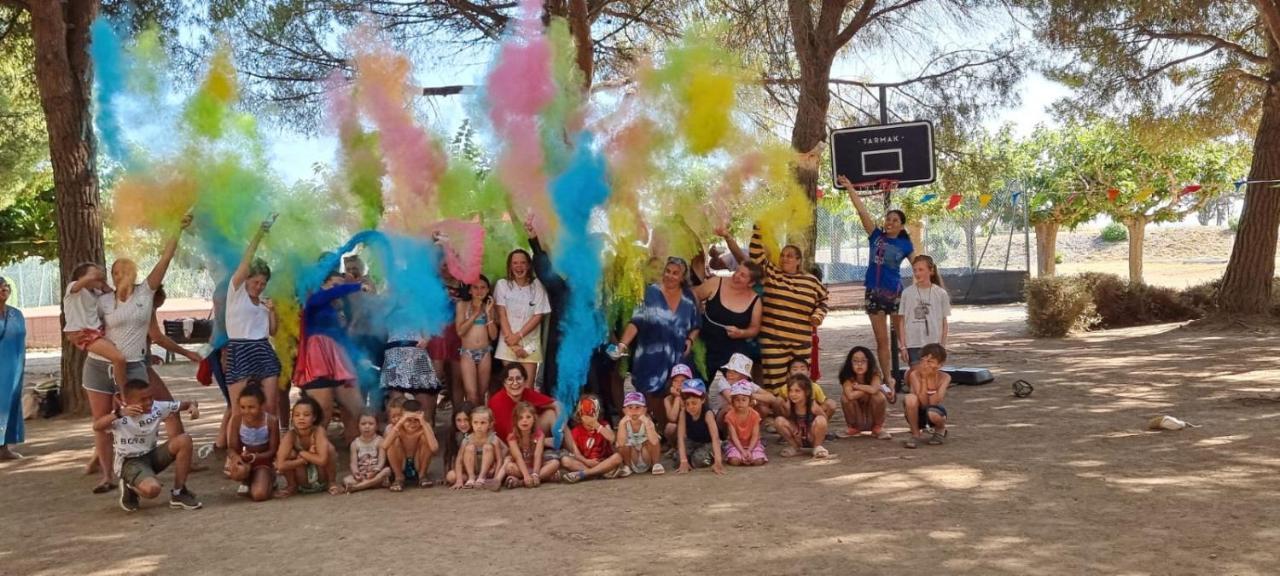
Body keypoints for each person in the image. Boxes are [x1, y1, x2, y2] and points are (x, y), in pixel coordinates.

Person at [84, 213, 190, 494]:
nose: (120, 275)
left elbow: (165, 260)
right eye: (115, 272)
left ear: (133, 273)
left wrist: (176, 230)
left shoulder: (145, 293)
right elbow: (85, 322)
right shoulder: (103, 301)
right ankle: (108, 476)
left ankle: (139, 465)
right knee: (103, 420)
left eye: (125, 270)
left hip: (133, 366)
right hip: (99, 365)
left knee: (136, 416)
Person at [719, 224, 828, 396]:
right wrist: (759, 226)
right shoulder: (771, 274)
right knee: (775, 387)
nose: (785, 258)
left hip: (801, 344)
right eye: (783, 255)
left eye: (790, 256)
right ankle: (777, 419)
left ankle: (800, 418)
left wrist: (818, 315)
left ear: (799, 260)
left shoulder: (812, 281)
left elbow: (823, 300)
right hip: (773, 344)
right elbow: (755, 255)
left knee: (800, 385)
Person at [838, 174, 915, 388]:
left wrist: (931, 284)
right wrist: (850, 186)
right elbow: (861, 210)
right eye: (888, 219)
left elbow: (920, 265)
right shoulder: (876, 236)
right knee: (881, 340)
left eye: (895, 220)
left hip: (894, 293)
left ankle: (913, 372)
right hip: (874, 292)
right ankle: (888, 378)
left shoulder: (905, 245)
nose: (890, 223)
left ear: (901, 226)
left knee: (902, 339)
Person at [612, 256, 701, 432]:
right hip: (650, 356)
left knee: (673, 395)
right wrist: (622, 344)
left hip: (677, 356)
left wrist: (690, 339)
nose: (670, 276)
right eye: (668, 271)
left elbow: (696, 324)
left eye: (676, 273)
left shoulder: (689, 297)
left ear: (683, 277)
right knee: (650, 395)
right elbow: (635, 322)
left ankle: (665, 433)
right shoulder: (650, 293)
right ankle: (647, 433)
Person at [92, 379, 202, 512]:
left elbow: (187, 404)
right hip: (130, 462)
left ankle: (179, 493)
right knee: (153, 490)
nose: (149, 402)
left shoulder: (157, 407)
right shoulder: (121, 416)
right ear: (127, 400)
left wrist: (193, 407)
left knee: (184, 440)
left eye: (150, 397)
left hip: (151, 455)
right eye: (143, 399)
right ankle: (129, 485)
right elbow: (97, 426)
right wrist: (118, 414)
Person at [293, 272, 367, 445]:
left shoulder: (334, 310)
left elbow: (342, 338)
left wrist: (358, 356)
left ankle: (363, 453)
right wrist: (355, 286)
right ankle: (311, 453)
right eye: (335, 285)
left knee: (358, 408)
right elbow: (326, 295)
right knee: (323, 412)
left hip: (338, 361)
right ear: (324, 284)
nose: (339, 291)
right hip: (317, 359)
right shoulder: (313, 300)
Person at [224, 217, 282, 426]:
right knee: (239, 410)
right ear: (247, 279)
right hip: (240, 349)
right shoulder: (236, 292)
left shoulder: (264, 303)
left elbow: (273, 332)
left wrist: (272, 312)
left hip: (263, 349)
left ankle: (272, 451)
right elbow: (246, 260)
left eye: (263, 283)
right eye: (256, 281)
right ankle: (235, 453)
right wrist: (259, 234)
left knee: (270, 407)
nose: (259, 286)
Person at [692, 258, 763, 382]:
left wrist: (741, 333)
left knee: (732, 391)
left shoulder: (755, 300)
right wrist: (697, 311)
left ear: (751, 283)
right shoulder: (715, 282)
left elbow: (755, 328)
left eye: (743, 275)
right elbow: (694, 295)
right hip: (706, 346)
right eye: (737, 271)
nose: (736, 276)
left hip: (733, 352)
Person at [63, 263, 128, 391]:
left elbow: (110, 294)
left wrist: (103, 284)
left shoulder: (95, 293)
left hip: (96, 331)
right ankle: (124, 392)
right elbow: (83, 281)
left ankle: (115, 385)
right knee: (119, 358)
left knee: (120, 350)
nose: (97, 278)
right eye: (93, 275)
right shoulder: (74, 289)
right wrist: (92, 276)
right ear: (81, 278)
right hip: (82, 333)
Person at [493, 249, 551, 388]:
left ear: (529, 265)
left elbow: (538, 316)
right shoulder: (502, 285)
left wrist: (518, 336)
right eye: (515, 263)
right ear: (510, 266)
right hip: (508, 343)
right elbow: (501, 314)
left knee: (527, 387)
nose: (519, 267)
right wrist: (512, 342)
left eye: (523, 263)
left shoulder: (537, 286)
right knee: (511, 386)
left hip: (531, 344)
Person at [525, 216, 569, 397]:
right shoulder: (559, 286)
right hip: (558, 337)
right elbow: (544, 270)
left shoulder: (589, 284)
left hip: (583, 340)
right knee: (554, 377)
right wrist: (534, 241)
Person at [380, 313, 443, 427]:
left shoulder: (418, 309)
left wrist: (425, 340)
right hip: (395, 357)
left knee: (424, 402)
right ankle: (394, 440)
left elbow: (426, 335)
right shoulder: (387, 308)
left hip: (416, 354)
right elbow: (379, 332)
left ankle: (426, 438)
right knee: (396, 404)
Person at [276, 396, 343, 497]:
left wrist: (302, 453)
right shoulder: (291, 435)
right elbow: (280, 465)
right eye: (297, 415)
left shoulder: (318, 431)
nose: (301, 418)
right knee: (290, 454)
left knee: (329, 448)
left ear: (314, 417)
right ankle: (291, 485)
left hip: (321, 478)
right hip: (302, 479)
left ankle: (331, 482)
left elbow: (322, 460)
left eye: (306, 415)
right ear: (292, 417)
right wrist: (302, 460)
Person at [226, 382, 279, 502]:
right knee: (237, 472)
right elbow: (231, 448)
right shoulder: (237, 420)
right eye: (243, 407)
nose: (247, 411)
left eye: (251, 407)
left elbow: (273, 450)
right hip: (244, 461)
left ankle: (268, 478)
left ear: (261, 406)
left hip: (262, 461)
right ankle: (248, 480)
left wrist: (256, 457)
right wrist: (236, 457)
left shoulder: (271, 421)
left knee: (259, 495)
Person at [898, 255, 950, 368]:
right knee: (917, 376)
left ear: (931, 271)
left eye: (921, 270)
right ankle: (909, 376)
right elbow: (901, 321)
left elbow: (944, 322)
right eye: (915, 270)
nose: (917, 273)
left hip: (934, 343)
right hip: (913, 343)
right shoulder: (907, 293)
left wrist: (942, 346)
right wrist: (903, 346)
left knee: (930, 376)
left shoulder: (941, 293)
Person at [455, 275, 498, 407]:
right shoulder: (462, 305)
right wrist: (475, 313)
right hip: (467, 352)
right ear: (470, 290)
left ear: (487, 290)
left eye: (483, 288)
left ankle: (480, 424)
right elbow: (460, 331)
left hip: (485, 352)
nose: (479, 291)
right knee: (471, 394)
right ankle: (471, 424)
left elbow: (494, 336)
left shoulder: (489, 307)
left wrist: (489, 314)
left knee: (482, 393)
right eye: (475, 287)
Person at [561, 396, 624, 483]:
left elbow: (612, 438)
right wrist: (587, 461)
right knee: (565, 460)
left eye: (591, 414)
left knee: (617, 457)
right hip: (586, 463)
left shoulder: (604, 425)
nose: (587, 418)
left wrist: (596, 425)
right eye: (584, 414)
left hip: (603, 461)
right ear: (579, 414)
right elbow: (577, 454)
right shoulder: (575, 431)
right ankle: (600, 473)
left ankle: (585, 474)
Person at [488, 363, 559, 440]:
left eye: (518, 378)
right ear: (504, 383)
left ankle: (572, 449)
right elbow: (510, 436)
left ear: (525, 381)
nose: (515, 383)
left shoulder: (527, 392)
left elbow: (557, 405)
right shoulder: (497, 401)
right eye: (510, 379)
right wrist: (541, 441)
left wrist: (560, 426)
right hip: (509, 443)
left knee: (551, 414)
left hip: (528, 436)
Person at [837, 346, 894, 440]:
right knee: (845, 398)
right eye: (855, 361)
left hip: (872, 415)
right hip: (857, 417)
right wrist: (868, 390)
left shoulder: (875, 374)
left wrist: (858, 387)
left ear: (869, 362)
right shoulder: (847, 377)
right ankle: (853, 427)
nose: (859, 364)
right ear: (850, 363)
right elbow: (850, 396)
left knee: (879, 397)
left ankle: (877, 427)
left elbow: (874, 390)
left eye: (863, 361)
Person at [384, 398, 438, 490]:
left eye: (416, 420)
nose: (413, 424)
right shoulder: (395, 428)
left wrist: (423, 423)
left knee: (425, 438)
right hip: (401, 464)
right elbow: (385, 446)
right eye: (409, 420)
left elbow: (434, 448)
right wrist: (401, 422)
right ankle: (398, 477)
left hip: (417, 463)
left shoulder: (424, 426)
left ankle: (422, 476)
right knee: (393, 440)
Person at [502, 401, 560, 488]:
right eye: (520, 418)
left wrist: (535, 474)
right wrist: (526, 475)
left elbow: (538, 455)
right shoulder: (512, 437)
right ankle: (542, 478)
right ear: (516, 421)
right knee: (509, 467)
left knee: (555, 463)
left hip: (537, 467)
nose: (524, 420)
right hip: (520, 469)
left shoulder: (539, 435)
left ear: (534, 419)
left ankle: (520, 482)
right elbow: (518, 457)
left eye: (528, 417)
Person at [904, 343, 951, 449]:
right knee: (910, 398)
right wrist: (924, 379)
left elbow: (933, 403)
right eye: (923, 360)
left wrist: (930, 379)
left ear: (940, 365)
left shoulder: (945, 377)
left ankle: (940, 429)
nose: (925, 365)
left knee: (932, 412)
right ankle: (915, 434)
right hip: (917, 412)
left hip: (933, 412)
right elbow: (923, 402)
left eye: (930, 362)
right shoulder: (914, 375)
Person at [708, 353, 779, 423]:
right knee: (731, 408)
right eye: (728, 371)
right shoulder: (722, 381)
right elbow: (732, 400)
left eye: (735, 372)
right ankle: (729, 434)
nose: (730, 374)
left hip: (743, 413)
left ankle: (749, 431)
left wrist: (752, 396)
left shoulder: (748, 384)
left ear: (744, 376)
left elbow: (772, 398)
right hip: (719, 418)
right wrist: (753, 401)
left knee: (763, 408)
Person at [675, 378, 725, 475]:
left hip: (708, 442)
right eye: (687, 404)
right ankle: (689, 458)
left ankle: (719, 452)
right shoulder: (683, 413)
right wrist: (683, 461)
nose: (690, 407)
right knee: (678, 460)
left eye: (694, 403)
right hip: (692, 441)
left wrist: (718, 461)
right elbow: (680, 437)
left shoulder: (708, 414)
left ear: (702, 400)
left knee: (698, 461)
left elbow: (715, 438)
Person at [775, 374, 831, 459]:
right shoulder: (789, 405)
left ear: (807, 392)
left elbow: (824, 419)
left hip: (811, 436)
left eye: (797, 391)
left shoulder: (812, 405)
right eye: (790, 391)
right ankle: (795, 447)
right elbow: (788, 419)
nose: (793, 394)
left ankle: (817, 447)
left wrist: (811, 429)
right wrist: (797, 430)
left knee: (821, 419)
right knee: (779, 421)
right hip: (797, 436)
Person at [0, 277, 25, 460]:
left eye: (5, 286)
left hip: (14, 368)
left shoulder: (16, 314)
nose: (4, 289)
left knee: (11, 406)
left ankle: (4, 447)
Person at [615, 392, 664, 476]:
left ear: (644, 410)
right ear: (624, 410)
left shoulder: (648, 422)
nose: (634, 411)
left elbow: (654, 441)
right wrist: (622, 424)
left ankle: (655, 464)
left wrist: (647, 424)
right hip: (632, 456)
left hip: (646, 455)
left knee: (652, 439)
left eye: (638, 407)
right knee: (622, 445)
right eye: (630, 408)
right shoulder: (623, 423)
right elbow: (621, 443)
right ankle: (628, 466)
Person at [456, 406, 502, 490]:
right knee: (451, 476)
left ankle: (481, 477)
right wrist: (459, 480)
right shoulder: (467, 439)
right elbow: (459, 460)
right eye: (475, 422)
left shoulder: (493, 439)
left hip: (488, 471)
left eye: (483, 423)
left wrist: (496, 477)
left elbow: (499, 459)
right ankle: (471, 478)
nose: (479, 426)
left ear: (490, 424)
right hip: (472, 469)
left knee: (487, 447)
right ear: (471, 423)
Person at [343, 412, 392, 493]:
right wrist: (356, 473)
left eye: (371, 424)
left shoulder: (380, 441)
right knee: (346, 480)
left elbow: (382, 460)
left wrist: (375, 471)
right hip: (362, 475)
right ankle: (370, 484)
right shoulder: (354, 444)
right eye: (363, 424)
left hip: (376, 473)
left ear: (376, 426)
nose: (367, 426)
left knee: (387, 470)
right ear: (358, 426)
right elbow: (353, 463)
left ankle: (358, 487)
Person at [724, 383, 767, 466]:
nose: (740, 403)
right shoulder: (729, 416)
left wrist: (749, 450)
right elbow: (734, 437)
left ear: (750, 401)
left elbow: (755, 435)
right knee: (734, 461)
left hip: (753, 444)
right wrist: (742, 451)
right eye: (737, 400)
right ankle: (740, 455)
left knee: (758, 461)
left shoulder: (755, 415)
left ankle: (749, 454)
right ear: (732, 401)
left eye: (744, 400)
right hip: (736, 444)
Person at [444, 402, 475, 487]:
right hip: (465, 469)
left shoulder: (479, 432)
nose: (462, 424)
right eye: (459, 420)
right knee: (451, 477)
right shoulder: (453, 434)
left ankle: (479, 478)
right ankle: (472, 478)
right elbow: (450, 455)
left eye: (466, 419)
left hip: (482, 466)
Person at [662, 364, 694, 444]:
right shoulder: (667, 399)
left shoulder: (694, 396)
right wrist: (677, 397)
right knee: (670, 427)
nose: (679, 384)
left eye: (683, 381)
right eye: (675, 381)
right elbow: (672, 418)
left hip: (692, 427)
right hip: (678, 428)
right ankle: (674, 446)